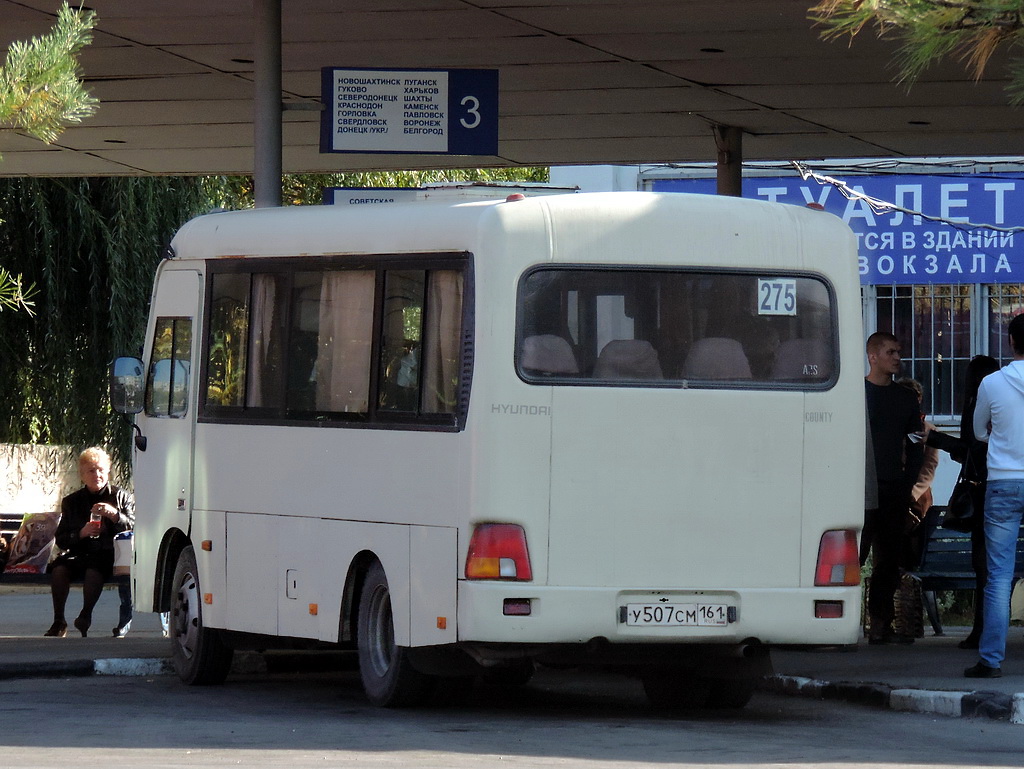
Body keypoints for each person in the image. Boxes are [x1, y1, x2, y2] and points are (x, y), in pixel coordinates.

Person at [965, 316, 1024, 678]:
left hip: (1003, 482)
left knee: (999, 575)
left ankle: (990, 660)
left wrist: (1001, 442)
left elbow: (977, 430)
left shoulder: (992, 382)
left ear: (1011, 341)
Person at [863, 332, 924, 645]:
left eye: (899, 351)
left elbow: (915, 441)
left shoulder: (904, 399)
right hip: (858, 490)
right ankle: (838, 621)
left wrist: (908, 480)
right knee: (853, 557)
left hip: (893, 488)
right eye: (891, 352)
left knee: (888, 560)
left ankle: (880, 623)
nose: (898, 357)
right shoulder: (856, 393)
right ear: (873, 356)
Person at [44, 447, 135, 638]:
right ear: (82, 475)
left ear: (108, 471)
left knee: (95, 568)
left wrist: (115, 516)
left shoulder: (122, 496)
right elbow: (61, 539)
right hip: (80, 553)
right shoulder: (72, 501)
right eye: (91, 471)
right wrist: (81, 533)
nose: (97, 475)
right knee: (60, 569)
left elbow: (135, 527)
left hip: (109, 554)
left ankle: (85, 615)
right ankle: (58, 621)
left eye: (101, 469)